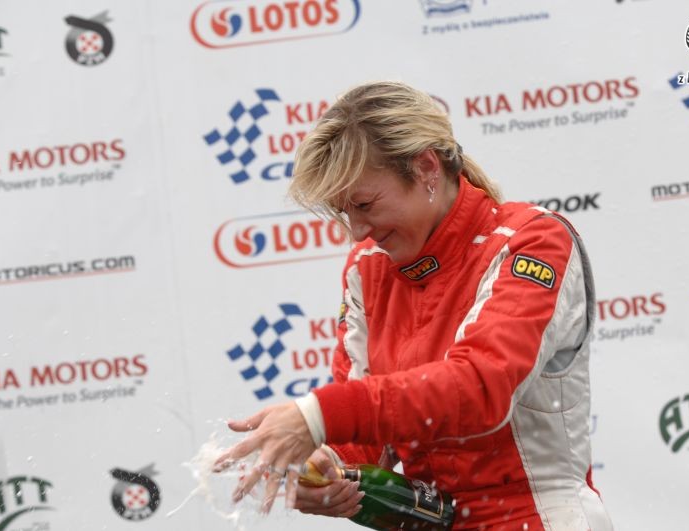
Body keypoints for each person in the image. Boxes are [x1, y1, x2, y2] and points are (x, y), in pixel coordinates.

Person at [214, 81, 613, 530]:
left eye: (364, 204)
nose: (358, 230)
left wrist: (317, 414)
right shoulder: (367, 266)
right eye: (345, 212)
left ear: (426, 168)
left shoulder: (532, 240)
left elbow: (480, 387)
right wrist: (327, 468)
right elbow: (366, 439)